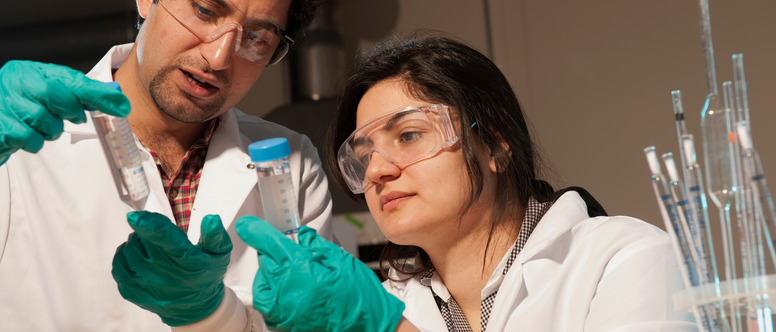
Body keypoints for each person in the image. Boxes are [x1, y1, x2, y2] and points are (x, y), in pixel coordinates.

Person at [233, 33, 698, 331]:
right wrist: (209, 312)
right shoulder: (392, 301)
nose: (377, 170)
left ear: (494, 146)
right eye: (363, 155)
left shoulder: (621, 259)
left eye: (409, 135)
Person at [0, 0, 334, 330]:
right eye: (205, 11)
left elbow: (313, 321)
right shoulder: (17, 142)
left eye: (257, 38)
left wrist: (217, 315)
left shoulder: (292, 162)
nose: (218, 58)